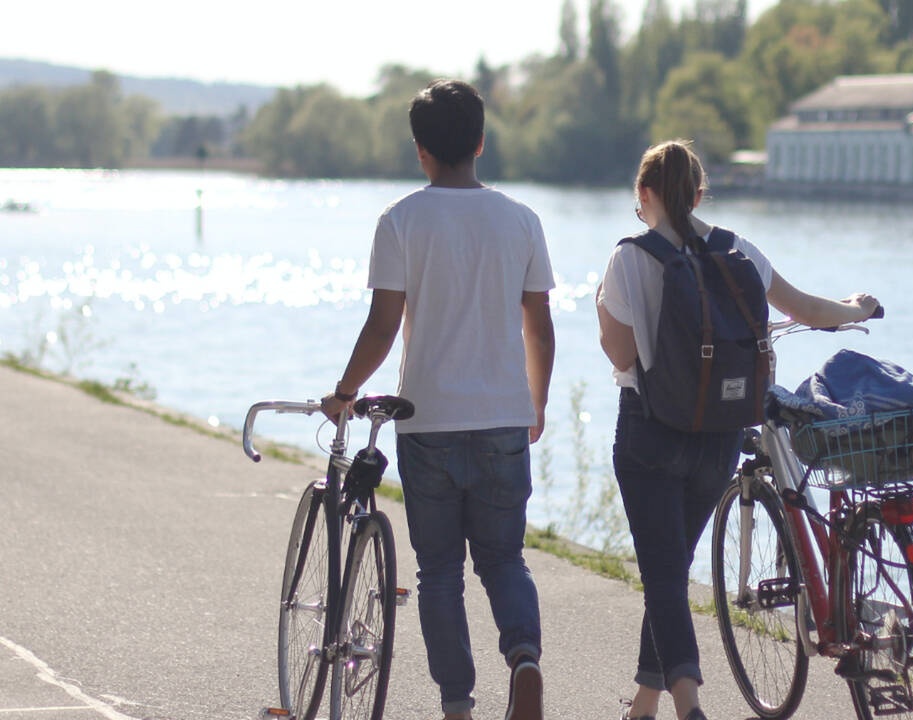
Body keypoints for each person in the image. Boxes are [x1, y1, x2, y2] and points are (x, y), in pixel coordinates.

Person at [595, 140, 878, 720]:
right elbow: (804, 309)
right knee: (669, 572)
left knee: (664, 575)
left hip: (650, 435)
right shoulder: (737, 250)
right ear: (699, 194)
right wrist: (857, 310)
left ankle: (690, 706)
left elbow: (621, 354)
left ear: (643, 195)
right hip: (719, 437)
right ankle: (644, 706)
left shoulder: (629, 258)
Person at [321, 79, 555, 720]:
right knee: (505, 558)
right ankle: (525, 658)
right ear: (481, 142)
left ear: (420, 150)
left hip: (427, 424)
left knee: (439, 573)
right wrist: (535, 404)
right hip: (505, 417)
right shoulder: (522, 220)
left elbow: (383, 325)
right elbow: (540, 327)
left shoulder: (401, 221)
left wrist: (345, 392)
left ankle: (457, 705)